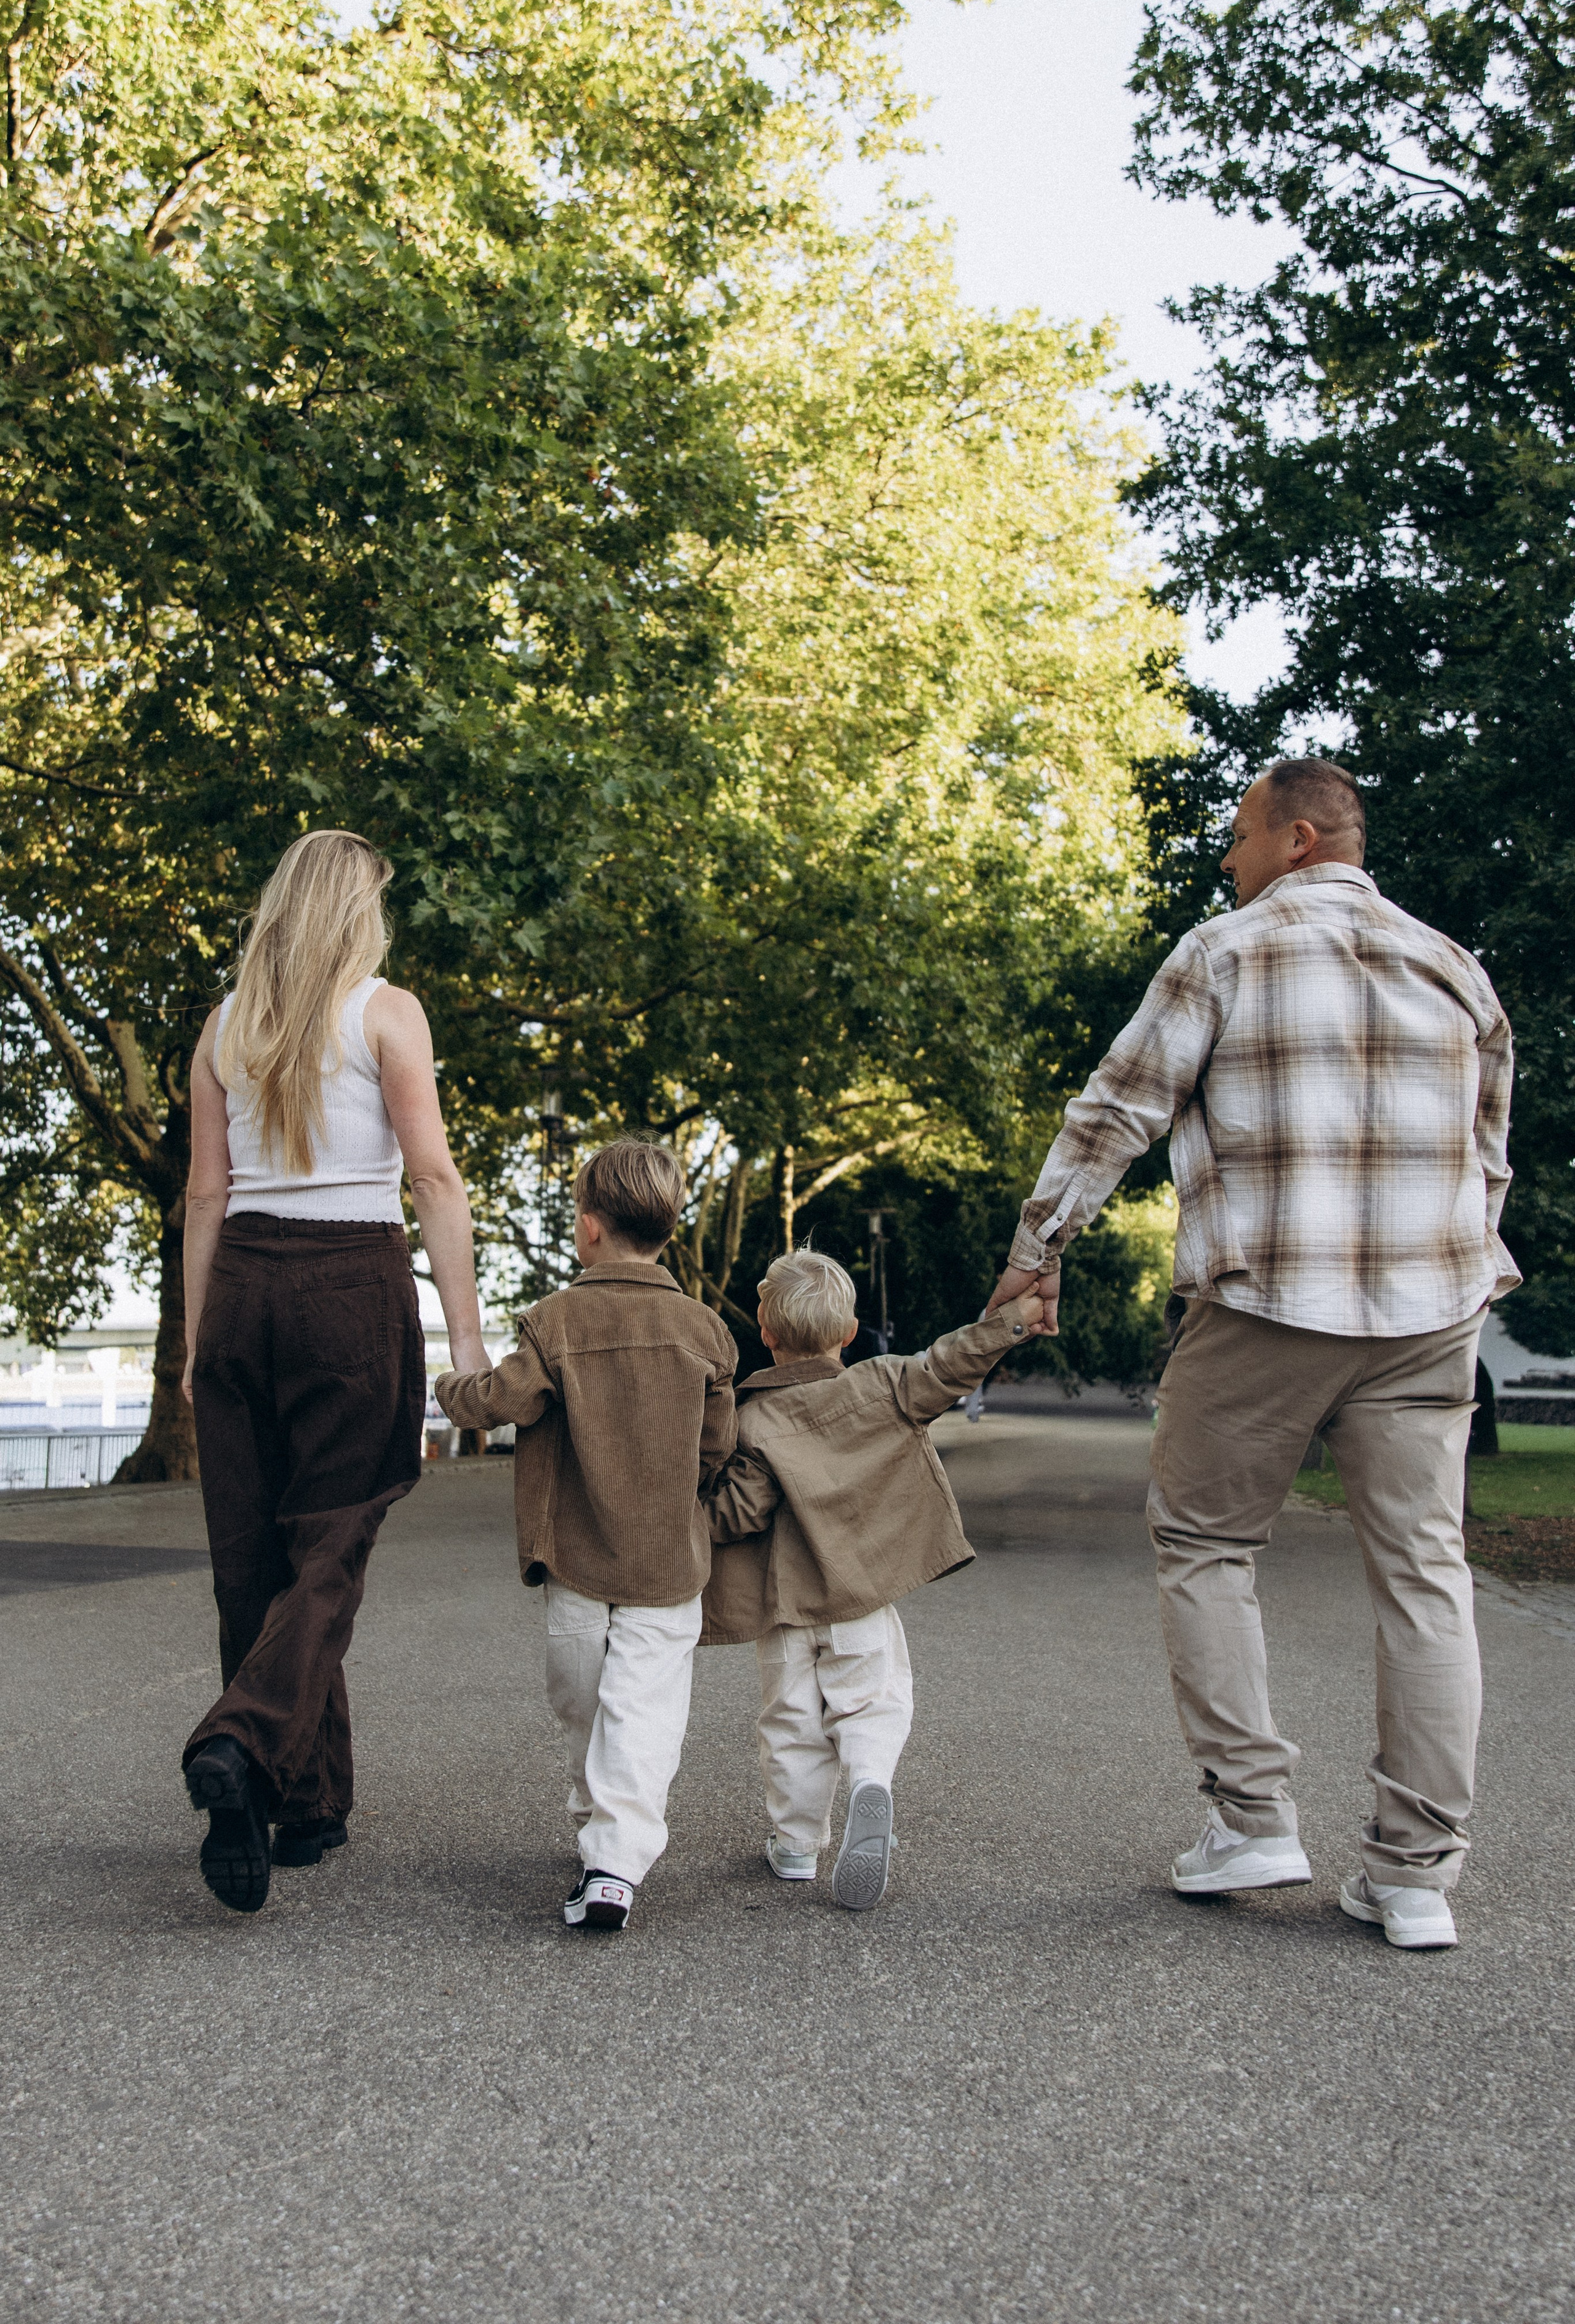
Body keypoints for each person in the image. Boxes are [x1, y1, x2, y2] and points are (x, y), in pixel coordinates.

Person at [987, 758, 1518, 1952]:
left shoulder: (1226, 951)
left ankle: (1251, 1816)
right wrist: (1452, 1276)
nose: (1224, 859)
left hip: (1270, 1297)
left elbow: (1111, 1111)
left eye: (1237, 836)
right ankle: (1413, 1874)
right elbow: (1487, 1163)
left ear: (1297, 837)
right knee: (1425, 1576)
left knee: (1204, 1542)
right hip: (1428, 1310)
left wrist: (1036, 1252)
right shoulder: (1453, 970)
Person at [181, 831, 489, 1914]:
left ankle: (300, 1808)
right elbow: (436, 1181)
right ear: (360, 911)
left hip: (244, 1290)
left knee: (251, 1559)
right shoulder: (385, 1012)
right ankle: (241, 1739)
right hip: (349, 1284)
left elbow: (205, 1197)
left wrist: (192, 1343)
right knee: (334, 1542)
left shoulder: (223, 1028)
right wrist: (467, 1342)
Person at [437, 1135, 736, 1933]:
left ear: (591, 1227)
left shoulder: (553, 1323)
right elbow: (718, 1448)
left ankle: (613, 1864)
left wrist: (443, 1388)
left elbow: (502, 1400)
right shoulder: (708, 1332)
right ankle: (605, 1824)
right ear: (667, 1228)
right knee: (632, 1709)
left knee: (583, 1696)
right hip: (669, 1557)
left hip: (575, 1554)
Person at [704, 1250, 1045, 1909]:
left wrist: (674, 1526)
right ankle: (868, 1781)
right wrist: (1015, 1319)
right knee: (872, 1701)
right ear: (851, 1333)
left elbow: (738, 1512)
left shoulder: (750, 1421)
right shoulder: (883, 1384)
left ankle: (797, 1844)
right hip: (860, 1598)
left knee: (789, 1724)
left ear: (765, 1333)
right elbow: (949, 1364)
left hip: (784, 1606)